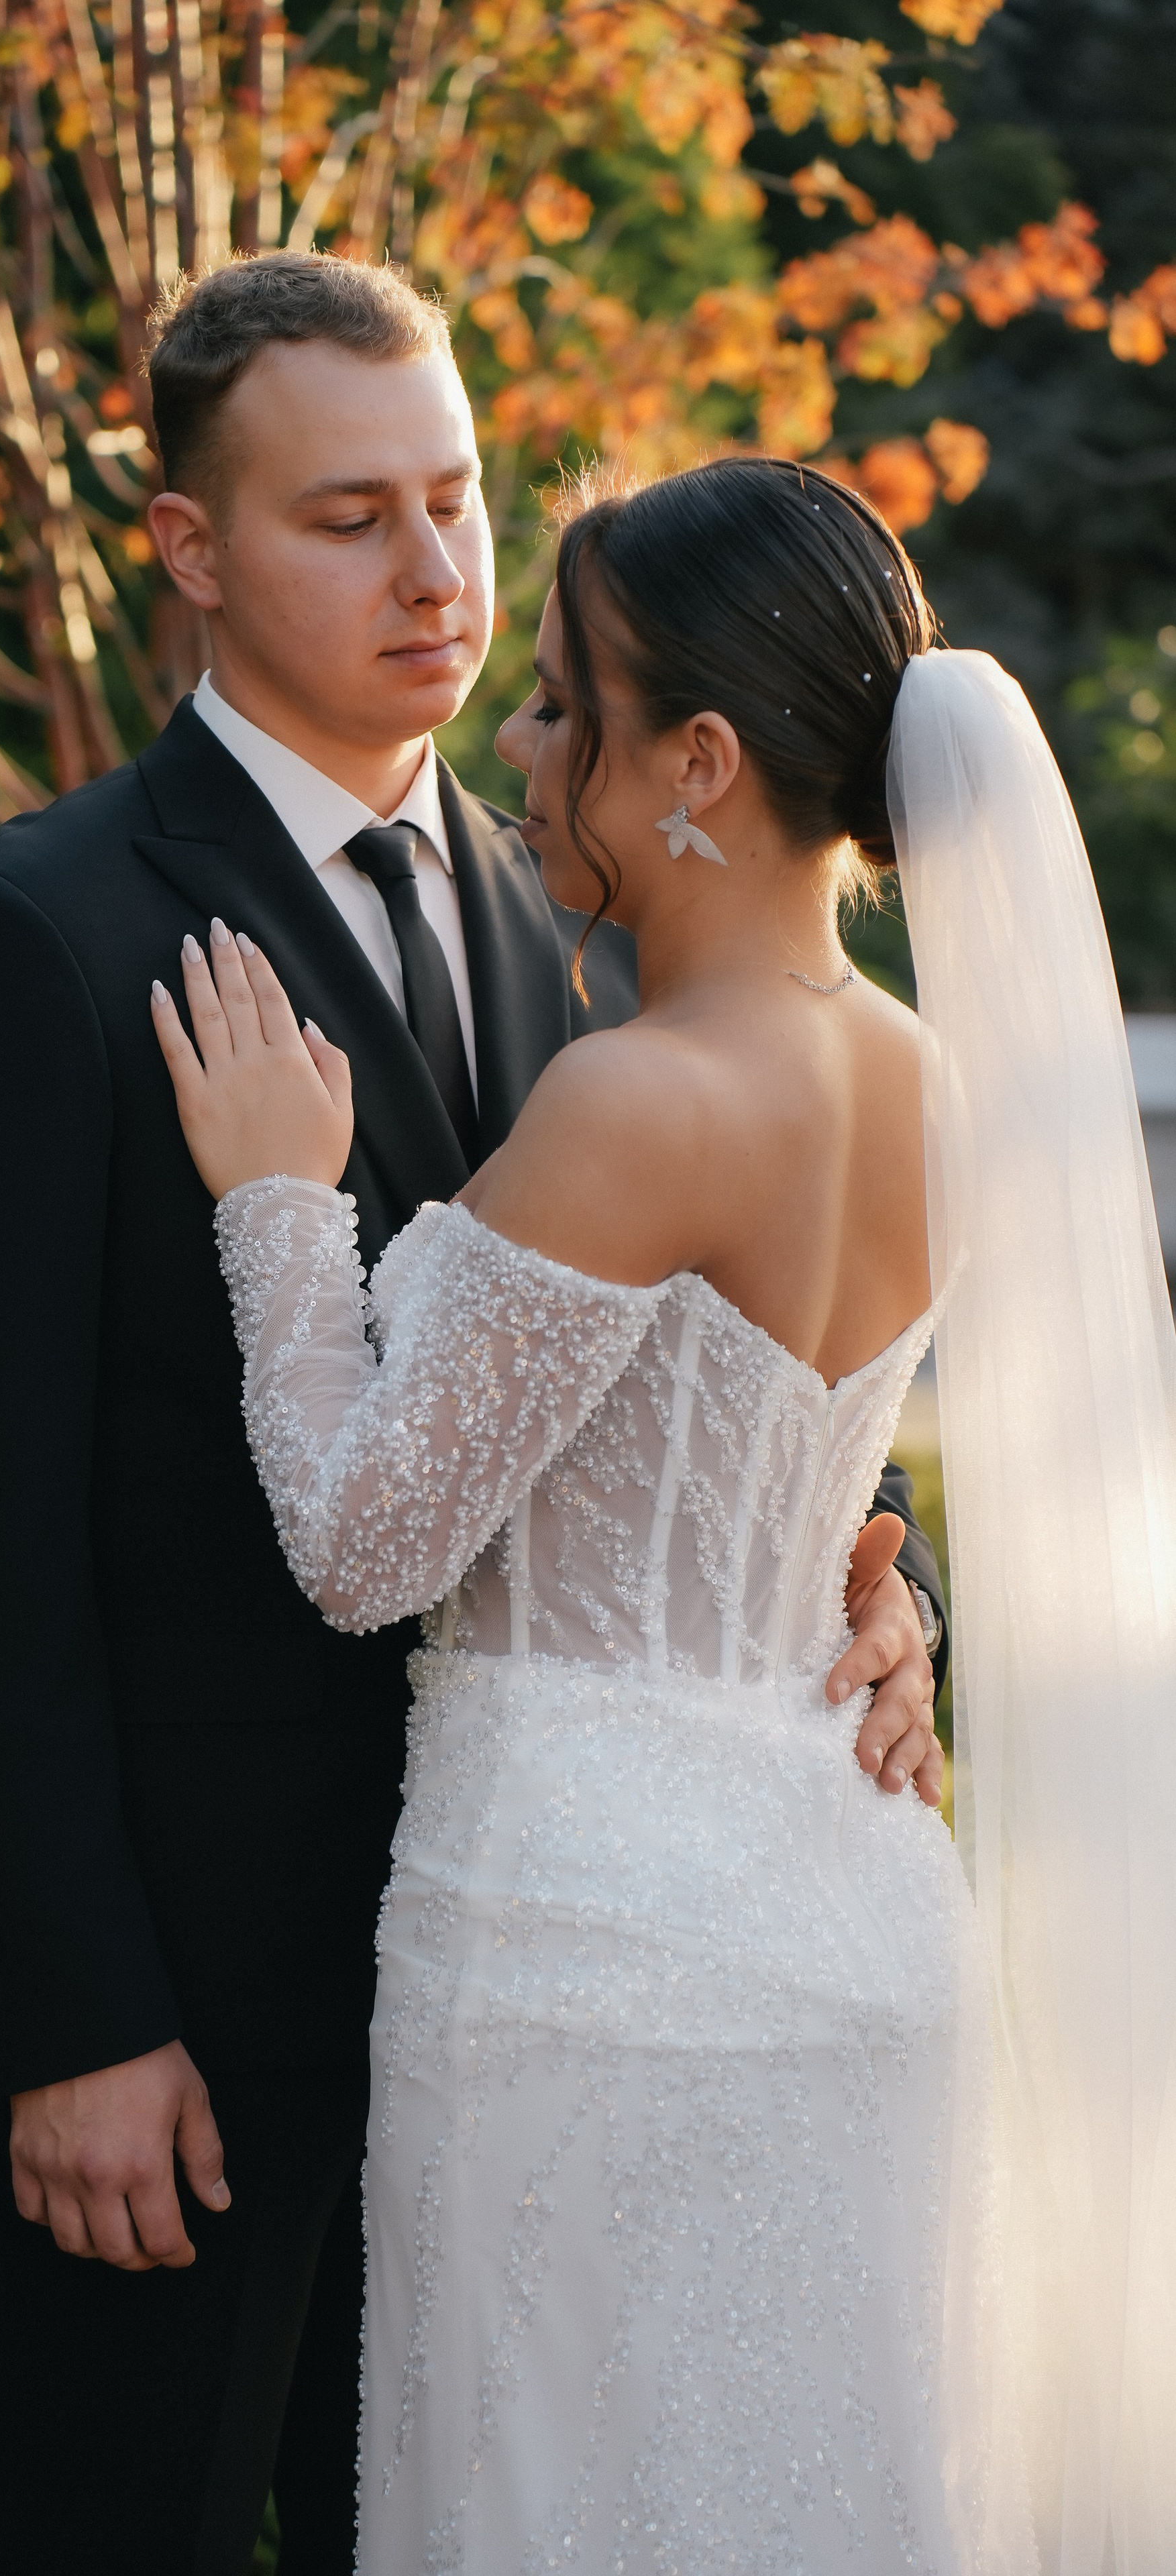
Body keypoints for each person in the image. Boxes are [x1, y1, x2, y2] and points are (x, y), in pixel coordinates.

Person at [0, 258, 947, 2574]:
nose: (440, 572)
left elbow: (710, 1351)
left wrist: (871, 1568)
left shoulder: (607, 902)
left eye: (456, 498)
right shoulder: (27, 945)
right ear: (189, 550)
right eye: (352, 516)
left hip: (562, 1997)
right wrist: (74, 2018)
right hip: (196, 2028)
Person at [152, 457, 1176, 2571]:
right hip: (856, 1924)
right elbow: (788, 1476)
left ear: (695, 761)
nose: (514, 748)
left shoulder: (635, 1098)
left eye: (558, 703)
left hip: (582, 1956)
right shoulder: (933, 1085)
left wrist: (273, 1202)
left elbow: (365, 1548)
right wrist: (895, 1600)